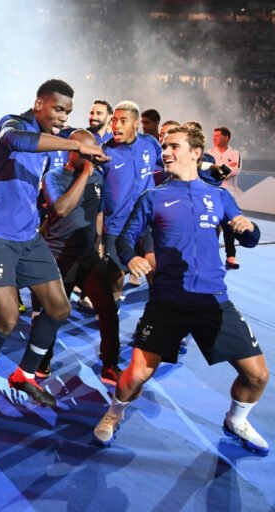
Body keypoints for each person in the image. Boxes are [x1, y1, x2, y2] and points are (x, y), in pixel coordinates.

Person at [93, 126, 269, 456]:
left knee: (257, 376)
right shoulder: (153, 197)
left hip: (213, 301)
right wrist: (131, 259)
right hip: (167, 302)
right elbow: (125, 239)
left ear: (194, 153)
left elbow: (249, 236)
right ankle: (113, 414)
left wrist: (248, 228)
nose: (166, 152)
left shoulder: (218, 196)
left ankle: (236, 420)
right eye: (163, 146)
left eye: (174, 146)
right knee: (135, 375)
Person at [0, 79, 108, 425]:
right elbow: (21, 142)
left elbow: (81, 148)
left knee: (59, 308)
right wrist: (72, 141)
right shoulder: (11, 124)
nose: (63, 117)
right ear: (39, 104)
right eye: (58, 109)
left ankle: (24, 375)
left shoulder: (58, 142)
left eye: (68, 112)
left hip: (29, 237)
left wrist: (87, 149)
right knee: (8, 318)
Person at [38, 129, 121, 383]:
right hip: (58, 256)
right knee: (53, 314)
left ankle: (109, 364)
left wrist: (98, 243)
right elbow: (61, 209)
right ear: (72, 151)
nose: (92, 158)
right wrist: (85, 172)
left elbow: (97, 213)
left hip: (87, 257)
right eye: (87, 152)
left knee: (107, 309)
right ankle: (42, 361)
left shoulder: (97, 177)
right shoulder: (54, 176)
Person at [101, 101, 162, 301]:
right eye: (114, 120)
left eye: (122, 121)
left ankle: (155, 316)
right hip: (116, 226)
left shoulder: (150, 144)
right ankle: (111, 315)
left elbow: (171, 163)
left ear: (135, 124)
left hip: (145, 223)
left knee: (154, 268)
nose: (116, 126)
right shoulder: (104, 152)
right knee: (115, 278)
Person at [208, 126, 243, 269]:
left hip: (229, 196)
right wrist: (225, 168)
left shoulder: (235, 153)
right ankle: (211, 256)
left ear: (226, 137)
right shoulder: (209, 154)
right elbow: (208, 172)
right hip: (211, 194)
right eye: (213, 135)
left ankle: (231, 256)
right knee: (212, 227)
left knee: (229, 228)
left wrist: (219, 170)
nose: (214, 138)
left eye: (217, 135)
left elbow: (235, 169)